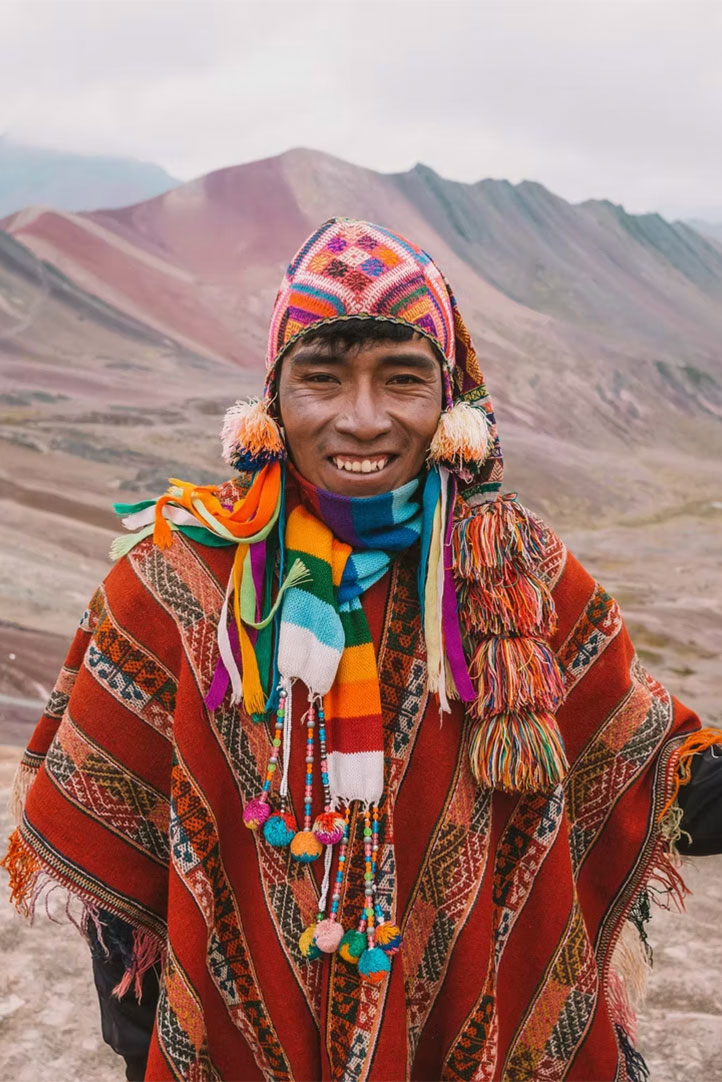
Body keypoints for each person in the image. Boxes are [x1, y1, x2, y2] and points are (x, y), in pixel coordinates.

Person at [3, 217, 720, 1082]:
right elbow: (112, 818)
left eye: (404, 379)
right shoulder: (175, 582)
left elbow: (652, 770)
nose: (363, 418)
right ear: (273, 398)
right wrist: (149, 1040)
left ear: (449, 402)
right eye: (322, 378)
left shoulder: (518, 578)